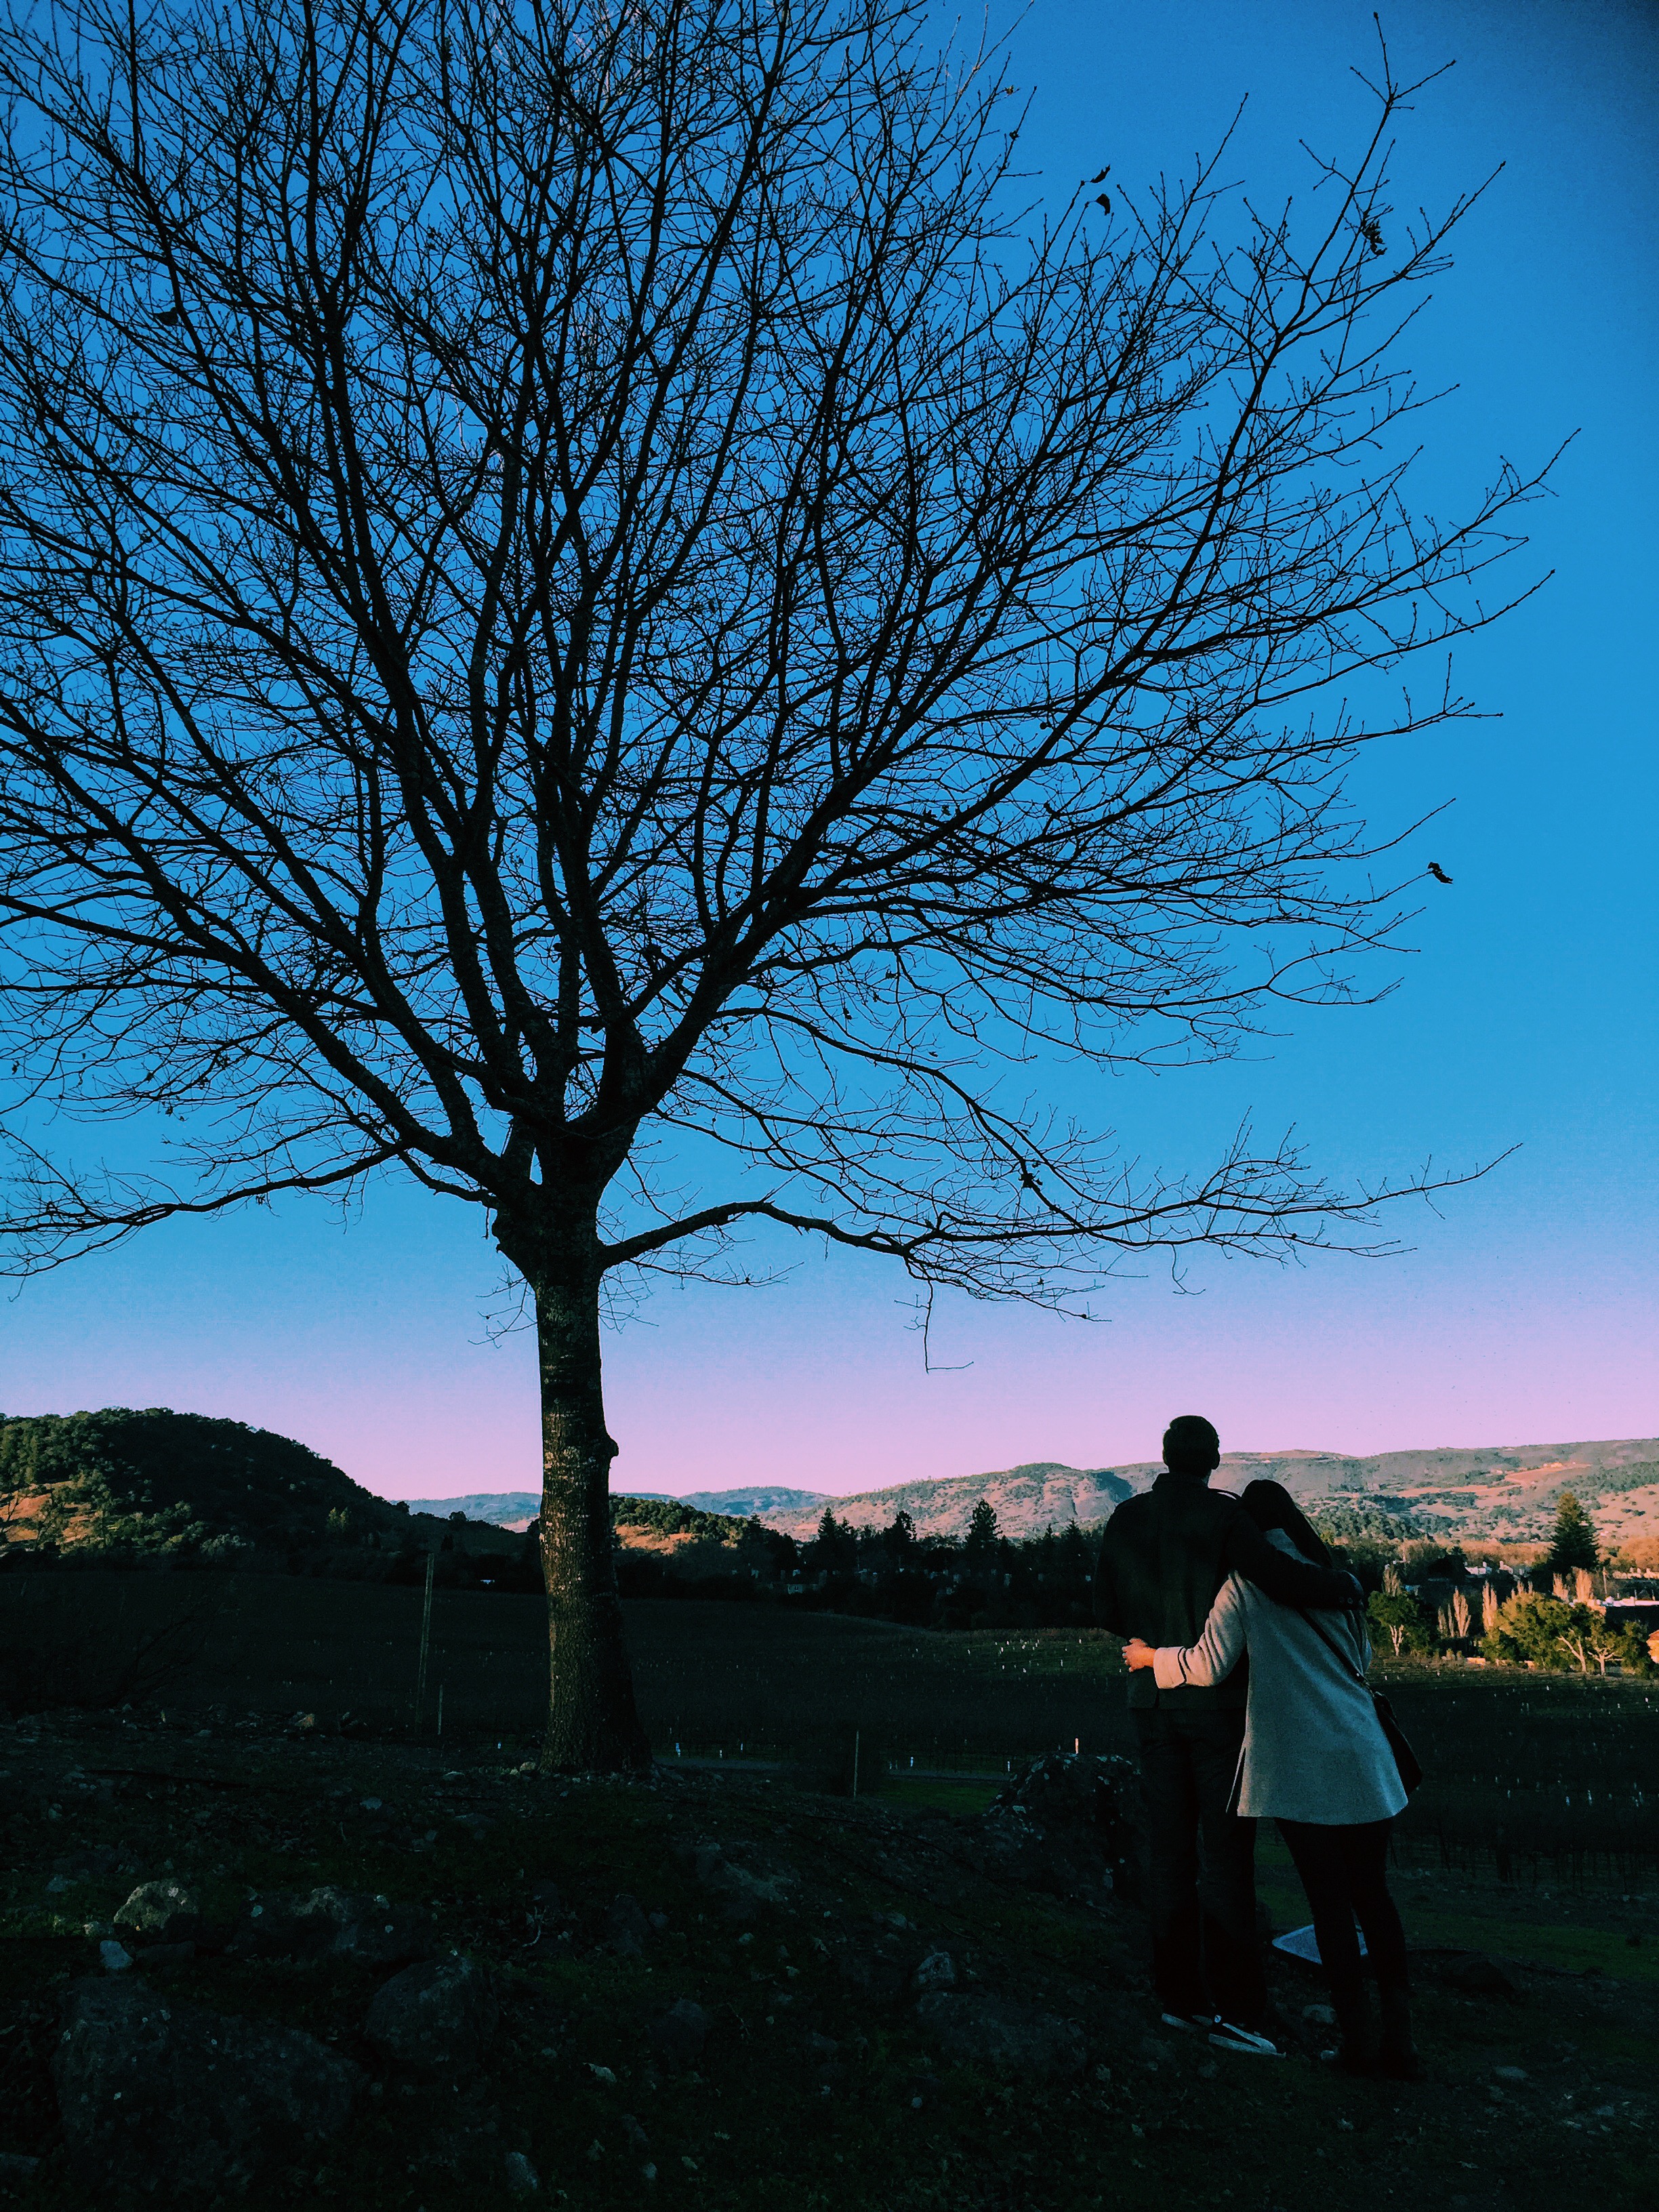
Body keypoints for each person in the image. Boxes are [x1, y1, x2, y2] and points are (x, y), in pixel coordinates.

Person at [1124, 1477, 1416, 2079]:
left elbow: (1208, 1666)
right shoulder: (1338, 1580)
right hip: (1365, 1756)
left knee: (1330, 1908)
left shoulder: (1245, 1585)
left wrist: (1151, 1659)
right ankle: (1400, 2042)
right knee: (1374, 1899)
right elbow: (1361, 1662)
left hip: (1303, 1765)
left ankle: (1358, 2045)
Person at [1093, 1416, 1362, 2057]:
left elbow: (1105, 1610)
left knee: (1169, 1854)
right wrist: (1347, 1585)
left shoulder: (1125, 1519)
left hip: (1150, 1702)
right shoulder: (1223, 1518)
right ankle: (1239, 2009)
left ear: (1164, 1456)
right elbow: (1279, 1577)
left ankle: (1180, 1998)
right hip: (1219, 1711)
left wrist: (1149, 1645)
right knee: (1227, 1858)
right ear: (1213, 1460)